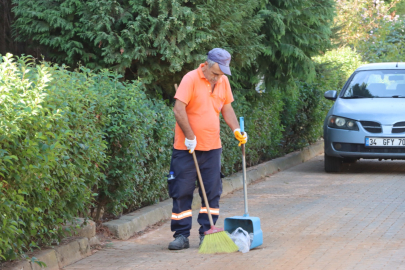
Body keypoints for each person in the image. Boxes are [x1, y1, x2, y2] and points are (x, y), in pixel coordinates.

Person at [167, 48, 248, 250]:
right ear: (207, 64)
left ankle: (206, 233)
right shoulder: (190, 79)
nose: (217, 77)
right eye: (215, 72)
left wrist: (236, 129)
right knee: (182, 191)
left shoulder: (223, 81)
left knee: (212, 192)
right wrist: (190, 137)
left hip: (212, 147)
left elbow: (226, 108)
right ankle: (181, 235)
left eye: (221, 73)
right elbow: (178, 109)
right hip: (186, 148)